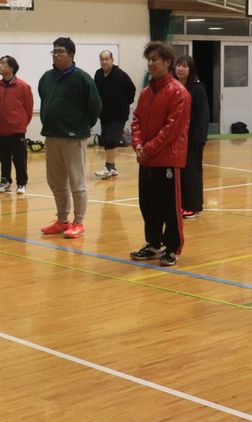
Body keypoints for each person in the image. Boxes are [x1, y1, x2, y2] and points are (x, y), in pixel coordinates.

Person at [130, 42, 190, 265]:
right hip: (146, 160)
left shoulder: (178, 92)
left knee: (169, 208)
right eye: (149, 59)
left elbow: (171, 129)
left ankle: (171, 248)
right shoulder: (146, 92)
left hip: (167, 160)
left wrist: (148, 149)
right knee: (148, 205)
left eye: (155, 59)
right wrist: (138, 144)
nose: (151, 63)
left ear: (167, 62)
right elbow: (136, 120)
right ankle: (154, 244)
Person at [38, 37, 102, 239]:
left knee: (76, 181)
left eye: (60, 52)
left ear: (71, 55)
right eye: (54, 52)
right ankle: (62, 220)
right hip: (51, 135)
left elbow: (95, 106)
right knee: (56, 181)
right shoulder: (46, 78)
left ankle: (79, 222)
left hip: (74, 137)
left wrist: (82, 125)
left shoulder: (82, 79)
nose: (56, 55)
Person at [0, 55, 34, 194]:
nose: (0, 66)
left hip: (17, 130)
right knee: (4, 158)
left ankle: (21, 183)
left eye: (3, 63)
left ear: (12, 67)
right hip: (0, 129)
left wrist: (20, 124)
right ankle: (5, 181)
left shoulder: (23, 86)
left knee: (19, 158)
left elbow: (29, 109)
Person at [93, 50, 136, 180]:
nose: (104, 62)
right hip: (105, 114)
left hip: (118, 114)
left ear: (112, 60)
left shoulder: (120, 75)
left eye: (107, 59)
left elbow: (131, 91)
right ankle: (113, 168)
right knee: (106, 140)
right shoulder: (98, 75)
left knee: (112, 140)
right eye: (102, 59)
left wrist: (122, 104)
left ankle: (108, 167)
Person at [174, 55, 208, 219]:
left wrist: (198, 140)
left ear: (191, 69)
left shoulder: (197, 89)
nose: (180, 69)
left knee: (192, 174)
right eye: (178, 65)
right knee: (180, 174)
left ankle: (193, 206)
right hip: (177, 139)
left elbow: (201, 116)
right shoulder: (174, 87)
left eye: (184, 66)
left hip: (192, 139)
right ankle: (182, 204)